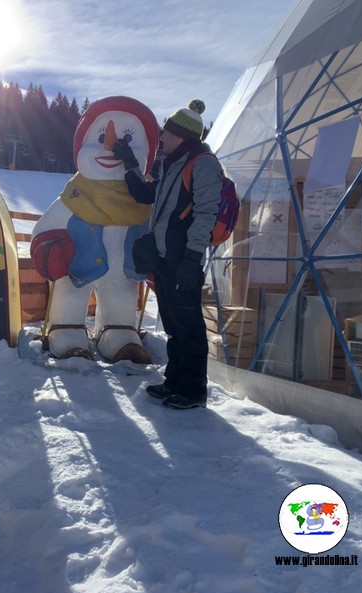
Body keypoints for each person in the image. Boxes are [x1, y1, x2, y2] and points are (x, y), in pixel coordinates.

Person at [113, 99, 222, 409]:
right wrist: (129, 164)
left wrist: (191, 258)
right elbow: (149, 194)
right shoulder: (175, 164)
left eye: (167, 133)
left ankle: (193, 391)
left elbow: (205, 213)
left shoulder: (203, 164)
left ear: (183, 137)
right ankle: (175, 381)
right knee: (174, 325)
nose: (162, 138)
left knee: (189, 326)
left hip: (181, 259)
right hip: (164, 257)